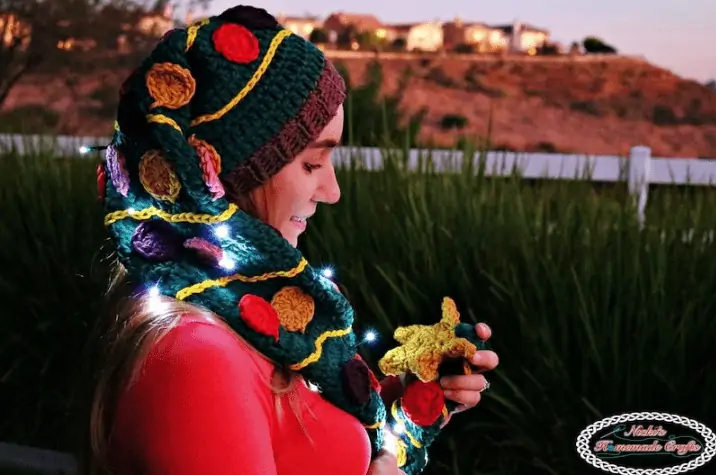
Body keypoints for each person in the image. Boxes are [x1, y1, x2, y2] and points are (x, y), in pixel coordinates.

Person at [80, 5, 499, 475]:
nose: (333, 192)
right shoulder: (198, 357)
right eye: (312, 164)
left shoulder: (268, 323)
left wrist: (416, 398)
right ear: (225, 179)